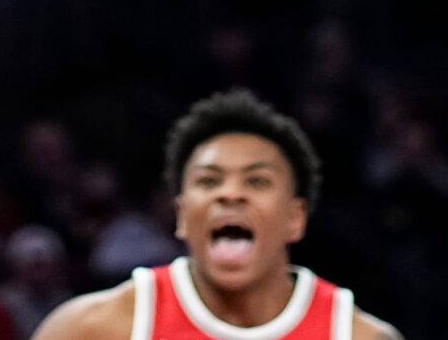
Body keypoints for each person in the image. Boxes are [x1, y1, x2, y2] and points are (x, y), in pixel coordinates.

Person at [34, 91, 402, 340]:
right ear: (180, 214)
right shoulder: (95, 328)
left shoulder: (355, 335)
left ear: (295, 217)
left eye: (257, 181)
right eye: (210, 181)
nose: (231, 194)